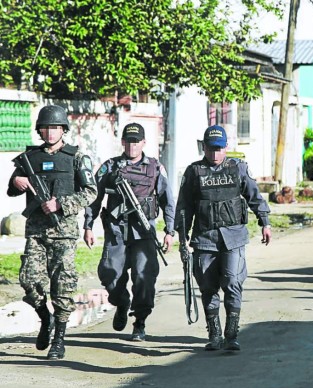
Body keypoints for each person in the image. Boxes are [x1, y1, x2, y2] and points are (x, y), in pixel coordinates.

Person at [7, 105, 98, 360]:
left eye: (55, 127)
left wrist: (61, 204)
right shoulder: (30, 158)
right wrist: (17, 181)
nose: (50, 132)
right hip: (36, 231)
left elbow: (91, 192)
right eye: (45, 128)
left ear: (63, 130)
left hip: (64, 231)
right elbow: (12, 190)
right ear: (39, 130)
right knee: (28, 279)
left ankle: (59, 338)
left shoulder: (77, 158)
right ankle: (44, 318)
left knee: (63, 285)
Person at [175, 125, 272, 351]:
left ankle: (232, 333)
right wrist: (181, 235)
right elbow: (184, 207)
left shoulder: (237, 168)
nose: (215, 154)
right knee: (208, 287)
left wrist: (265, 221)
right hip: (204, 238)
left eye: (219, 149)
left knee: (232, 282)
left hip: (234, 237)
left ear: (227, 147)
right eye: (211, 149)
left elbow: (254, 195)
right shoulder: (194, 172)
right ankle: (215, 334)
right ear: (204, 147)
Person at [83, 122, 175, 342]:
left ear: (143, 142)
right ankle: (122, 301)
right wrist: (88, 225)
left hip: (144, 232)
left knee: (144, 277)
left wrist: (169, 231)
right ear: (122, 142)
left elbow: (167, 201)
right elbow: (94, 198)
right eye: (128, 141)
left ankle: (140, 322)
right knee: (109, 274)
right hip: (116, 230)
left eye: (136, 141)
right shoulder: (109, 167)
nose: (132, 145)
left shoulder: (155, 168)